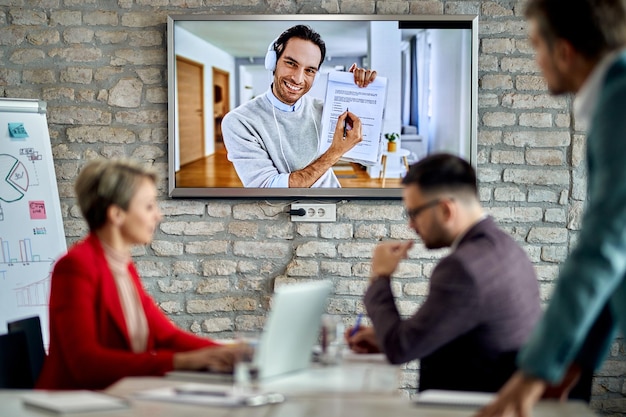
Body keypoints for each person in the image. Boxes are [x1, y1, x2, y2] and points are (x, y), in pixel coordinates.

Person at [477, 1, 626, 415]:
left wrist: (534, 373)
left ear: (563, 51)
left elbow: (604, 248)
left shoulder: (620, 99)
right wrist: (573, 363)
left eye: (535, 46)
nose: (536, 60)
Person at [345, 153, 542, 393]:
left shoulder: (462, 268)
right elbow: (467, 336)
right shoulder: (506, 247)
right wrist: (386, 337)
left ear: (446, 210)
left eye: (414, 213)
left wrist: (379, 276)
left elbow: (400, 349)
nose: (411, 225)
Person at [36, 159, 240, 390]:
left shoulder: (122, 266)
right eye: (149, 206)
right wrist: (181, 362)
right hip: (74, 404)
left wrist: (229, 353)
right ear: (117, 214)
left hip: (118, 397)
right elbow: (86, 364)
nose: (158, 216)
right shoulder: (75, 267)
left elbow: (166, 336)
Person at [221, 24, 376, 188]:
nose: (298, 78)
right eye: (291, 63)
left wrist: (357, 94)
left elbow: (366, 149)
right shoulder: (239, 121)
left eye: (310, 70)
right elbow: (267, 189)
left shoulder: (323, 110)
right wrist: (334, 153)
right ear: (273, 63)